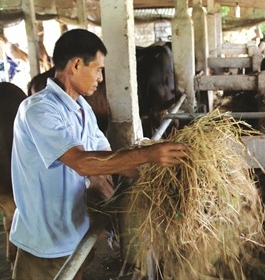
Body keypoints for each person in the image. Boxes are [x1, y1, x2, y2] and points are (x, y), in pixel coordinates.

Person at [9, 28, 187, 280]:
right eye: (98, 69)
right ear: (76, 64)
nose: (101, 78)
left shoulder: (82, 108)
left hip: (75, 230)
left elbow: (107, 158)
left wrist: (160, 171)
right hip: (44, 242)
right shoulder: (39, 110)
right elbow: (81, 163)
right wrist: (147, 155)